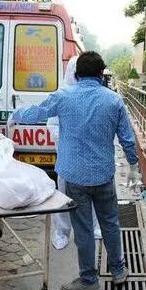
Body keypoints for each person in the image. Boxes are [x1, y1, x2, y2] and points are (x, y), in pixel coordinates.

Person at [10, 51, 139, 290]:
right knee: (111, 223)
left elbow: (37, 113)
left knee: (84, 229)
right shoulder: (113, 100)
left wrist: (14, 115)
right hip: (104, 174)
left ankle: (89, 281)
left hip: (75, 177)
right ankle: (118, 270)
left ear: (77, 75)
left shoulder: (63, 96)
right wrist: (132, 166)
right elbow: (127, 138)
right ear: (102, 75)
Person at [49, 56, 101, 250]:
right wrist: (67, 138)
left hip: (90, 159)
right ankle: (61, 232)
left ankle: (94, 227)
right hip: (68, 157)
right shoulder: (61, 96)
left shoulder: (93, 96)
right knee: (63, 195)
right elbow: (52, 124)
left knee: (93, 195)